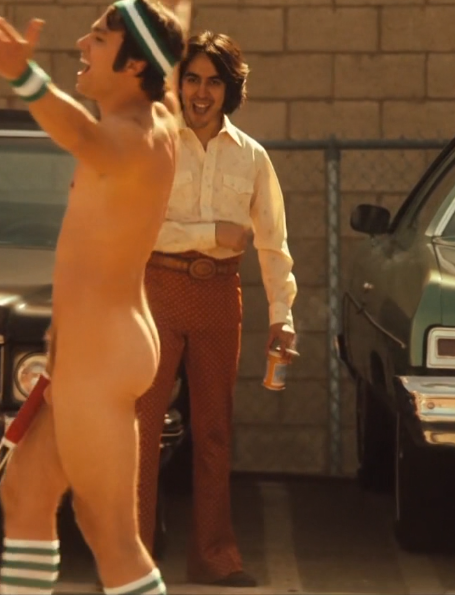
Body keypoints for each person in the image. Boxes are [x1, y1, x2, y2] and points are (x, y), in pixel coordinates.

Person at [0, 0, 205, 593]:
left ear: (132, 66)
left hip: (101, 358)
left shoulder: (128, 138)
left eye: (98, 39)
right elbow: (171, 26)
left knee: (111, 536)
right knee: (24, 495)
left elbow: (72, 128)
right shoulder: (159, 104)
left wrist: (21, 74)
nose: (82, 43)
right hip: (94, 350)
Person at [134, 30, 297, 587]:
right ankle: (131, 559)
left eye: (213, 82)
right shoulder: (156, 144)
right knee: (142, 429)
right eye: (192, 80)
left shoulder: (252, 156)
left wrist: (282, 317)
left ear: (231, 90)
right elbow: (140, 227)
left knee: (213, 432)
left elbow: (272, 244)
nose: (201, 93)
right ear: (177, 85)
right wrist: (212, 232)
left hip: (220, 297)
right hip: (156, 289)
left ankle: (214, 557)